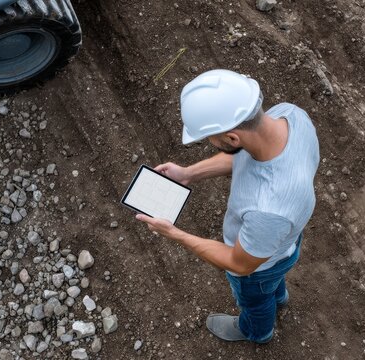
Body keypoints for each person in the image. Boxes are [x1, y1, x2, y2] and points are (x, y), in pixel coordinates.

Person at [136, 69, 320, 343]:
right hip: (281, 244)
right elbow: (242, 157)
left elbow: (239, 263)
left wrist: (174, 233)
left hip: (258, 266)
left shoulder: (267, 209)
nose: (210, 143)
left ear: (233, 138)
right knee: (271, 284)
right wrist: (188, 174)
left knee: (255, 300)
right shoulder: (290, 116)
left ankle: (257, 332)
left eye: (211, 138)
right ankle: (278, 295)